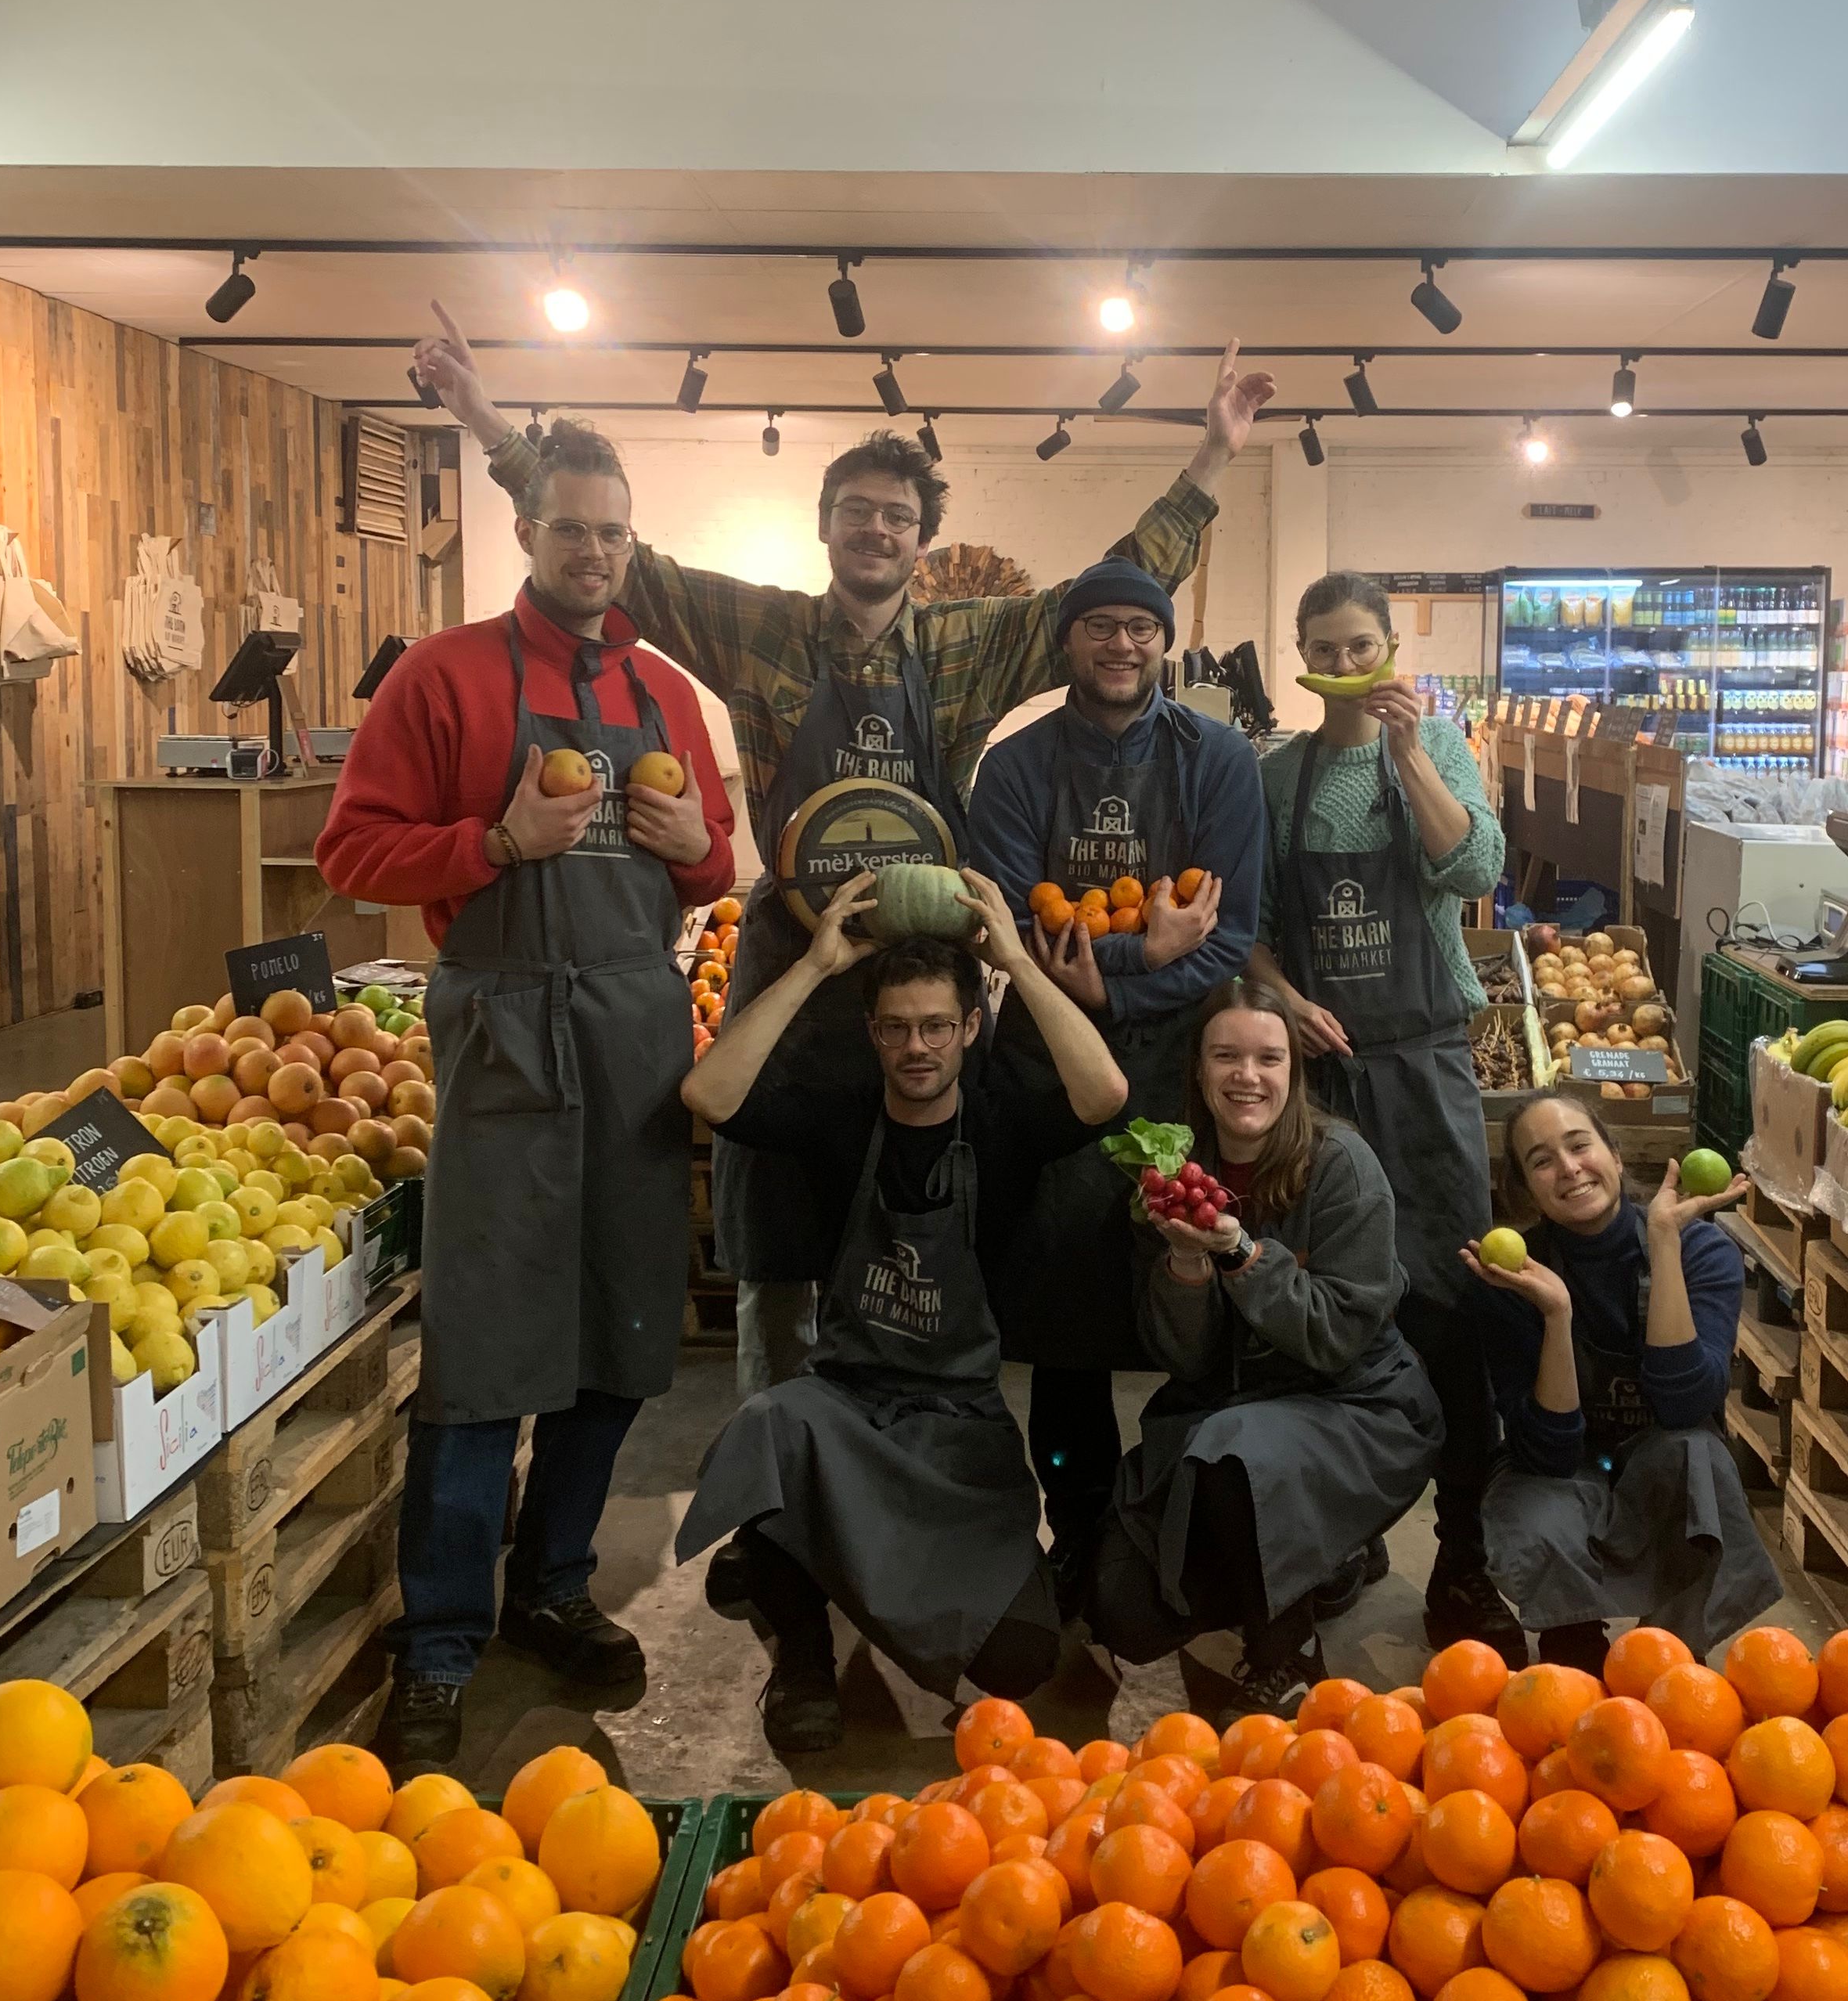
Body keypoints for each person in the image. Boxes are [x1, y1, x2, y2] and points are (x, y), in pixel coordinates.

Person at [412, 308, 1273, 1395]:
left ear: (922, 542)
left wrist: (1213, 456)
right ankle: (778, 1440)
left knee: (928, 1197)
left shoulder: (968, 641)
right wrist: (487, 423)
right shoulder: (757, 628)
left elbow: (1116, 585)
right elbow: (618, 557)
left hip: (925, 968)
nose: (877, 529)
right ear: (826, 525)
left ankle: (917, 1412)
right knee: (773, 1213)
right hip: (796, 956)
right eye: (858, 511)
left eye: (898, 516)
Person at [316, 416, 737, 1776]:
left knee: (621, 1330)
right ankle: (442, 1638)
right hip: (503, 1031)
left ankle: (554, 1583)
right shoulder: (442, 676)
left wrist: (698, 846)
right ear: (526, 531)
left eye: (613, 532)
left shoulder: (667, 694)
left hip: (633, 1035)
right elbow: (349, 851)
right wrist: (491, 841)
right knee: (484, 1347)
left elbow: (713, 864)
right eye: (571, 529)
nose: (593, 552)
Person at [673, 868, 1128, 1754]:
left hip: (958, 1429)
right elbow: (709, 1096)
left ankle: (858, 1570)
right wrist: (813, 965)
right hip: (847, 1405)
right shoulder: (839, 1121)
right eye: (896, 1028)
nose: (917, 1048)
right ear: (872, 1033)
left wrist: (1016, 962)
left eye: (936, 1027)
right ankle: (804, 1660)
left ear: (969, 1029)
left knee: (1020, 1660)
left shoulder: (1001, 1126)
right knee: (771, 1426)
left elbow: (1105, 1095)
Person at [966, 563, 1264, 1591]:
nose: (1122, 645)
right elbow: (1012, 928)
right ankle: (1080, 1531)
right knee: (1067, 1318)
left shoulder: (1219, 761)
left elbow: (1233, 935)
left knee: (1196, 1286)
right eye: (1100, 626)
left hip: (1182, 1065)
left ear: (1165, 641)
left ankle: (1198, 1517)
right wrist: (1146, 953)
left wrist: (1108, 986)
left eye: (1142, 627)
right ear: (1068, 640)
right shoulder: (1014, 768)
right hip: (1048, 1071)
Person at [1253, 571, 1508, 1654]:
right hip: (1323, 1079)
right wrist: (1283, 1000)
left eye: (1362, 646)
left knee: (1453, 1303)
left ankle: (1464, 1556)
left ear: (1392, 647)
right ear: (1302, 656)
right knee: (1332, 1308)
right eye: (1325, 648)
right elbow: (1254, 929)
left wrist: (1410, 755)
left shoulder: (1438, 748)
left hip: (1426, 1061)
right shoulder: (1277, 776)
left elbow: (1476, 865)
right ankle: (1343, 1537)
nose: (1346, 665)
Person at [1089, 969, 1443, 1713]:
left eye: (1268, 1058)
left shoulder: (1343, 1165)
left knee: (1236, 1453)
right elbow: (1184, 1361)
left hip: (1353, 1403)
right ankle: (1326, 1561)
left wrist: (1243, 1255)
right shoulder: (1170, 1176)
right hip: (1226, 1405)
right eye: (1226, 1056)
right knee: (1127, 1612)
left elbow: (1336, 1337)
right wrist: (1186, 1265)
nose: (1246, 1076)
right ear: (1198, 1070)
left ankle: (1287, 1654)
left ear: (1293, 1071)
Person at [1463, 1089, 1780, 1668]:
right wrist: (1556, 1315)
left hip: (1660, 1459)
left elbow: (1686, 1405)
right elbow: (1549, 1454)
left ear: (1613, 1153)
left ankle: (1669, 1656)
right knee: (1532, 1511)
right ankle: (1573, 1644)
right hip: (1568, 1471)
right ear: (1525, 1187)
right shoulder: (1511, 1279)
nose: (1568, 1168)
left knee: (1699, 1458)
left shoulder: (1702, 1251)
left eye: (1579, 1145)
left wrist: (1663, 1246)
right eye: (1541, 1161)